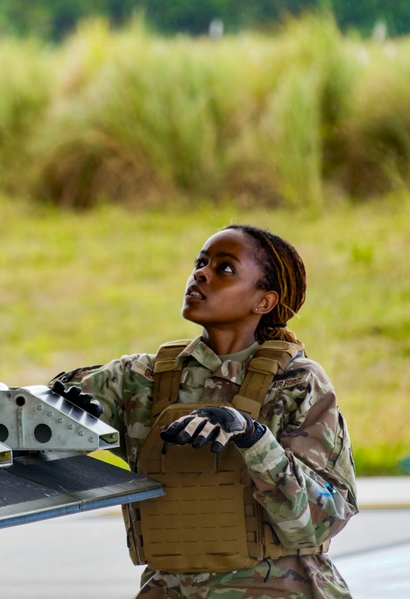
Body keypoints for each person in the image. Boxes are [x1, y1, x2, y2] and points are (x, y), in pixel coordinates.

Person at [51, 225, 357, 598]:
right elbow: (22, 424)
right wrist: (63, 415)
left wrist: (253, 438)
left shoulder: (296, 384)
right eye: (201, 262)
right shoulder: (139, 379)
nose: (200, 274)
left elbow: (320, 522)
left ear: (264, 302)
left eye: (224, 268)